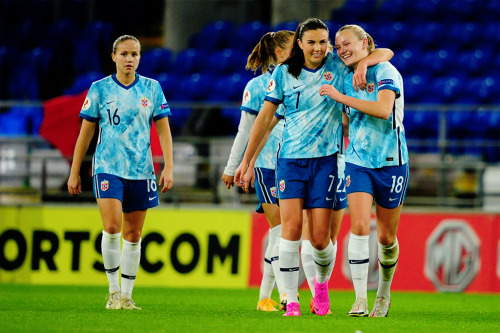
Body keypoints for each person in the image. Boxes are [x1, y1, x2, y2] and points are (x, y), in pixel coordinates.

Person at [235, 18, 393, 317]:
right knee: (290, 230)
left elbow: (386, 52)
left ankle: (321, 286)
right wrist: (246, 161)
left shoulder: (337, 66)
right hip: (290, 161)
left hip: (327, 161)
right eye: (312, 42)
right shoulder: (283, 74)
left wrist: (362, 66)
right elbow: (264, 119)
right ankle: (291, 300)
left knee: (320, 239)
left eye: (323, 41)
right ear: (300, 43)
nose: (319, 47)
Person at [67, 35, 174, 310]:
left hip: (141, 169)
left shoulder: (152, 88)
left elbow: (163, 129)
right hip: (107, 167)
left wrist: (169, 166)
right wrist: (75, 171)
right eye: (124, 54)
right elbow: (86, 132)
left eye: (135, 54)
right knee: (112, 227)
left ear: (140, 57)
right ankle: (113, 292)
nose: (130, 59)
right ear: (113, 56)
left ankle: (127, 296)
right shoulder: (99, 89)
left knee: (134, 234)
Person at [319, 24, 408, 318]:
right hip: (357, 160)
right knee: (358, 227)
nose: (341, 49)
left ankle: (383, 294)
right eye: (338, 45)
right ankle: (360, 299)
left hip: (392, 161)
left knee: (385, 237)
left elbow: (384, 111)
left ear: (364, 43)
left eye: (347, 44)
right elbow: (349, 120)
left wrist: (342, 95)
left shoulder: (386, 72)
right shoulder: (344, 76)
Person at [221, 30, 295, 312]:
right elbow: (245, 131)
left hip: (296, 164)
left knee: (287, 233)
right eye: (294, 47)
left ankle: (266, 296)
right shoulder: (259, 86)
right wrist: (235, 166)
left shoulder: (300, 82)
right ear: (279, 53)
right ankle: (284, 296)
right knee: (282, 230)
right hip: (267, 166)